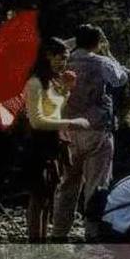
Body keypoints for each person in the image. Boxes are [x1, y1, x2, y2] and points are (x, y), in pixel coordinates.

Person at [50, 24, 130, 240]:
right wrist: (109, 54)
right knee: (96, 185)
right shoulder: (102, 62)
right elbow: (120, 79)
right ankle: (92, 233)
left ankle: (59, 233)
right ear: (96, 43)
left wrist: (76, 41)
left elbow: (52, 49)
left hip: (67, 130)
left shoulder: (62, 60)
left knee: (67, 184)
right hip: (96, 131)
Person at [22, 37, 90, 242]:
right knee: (37, 198)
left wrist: (67, 90)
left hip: (55, 144)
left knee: (47, 198)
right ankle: (35, 245)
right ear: (47, 56)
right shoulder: (34, 82)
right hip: (37, 144)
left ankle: (42, 246)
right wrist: (72, 123)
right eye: (60, 58)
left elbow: (55, 112)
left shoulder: (53, 82)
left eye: (66, 59)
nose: (63, 63)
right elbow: (37, 121)